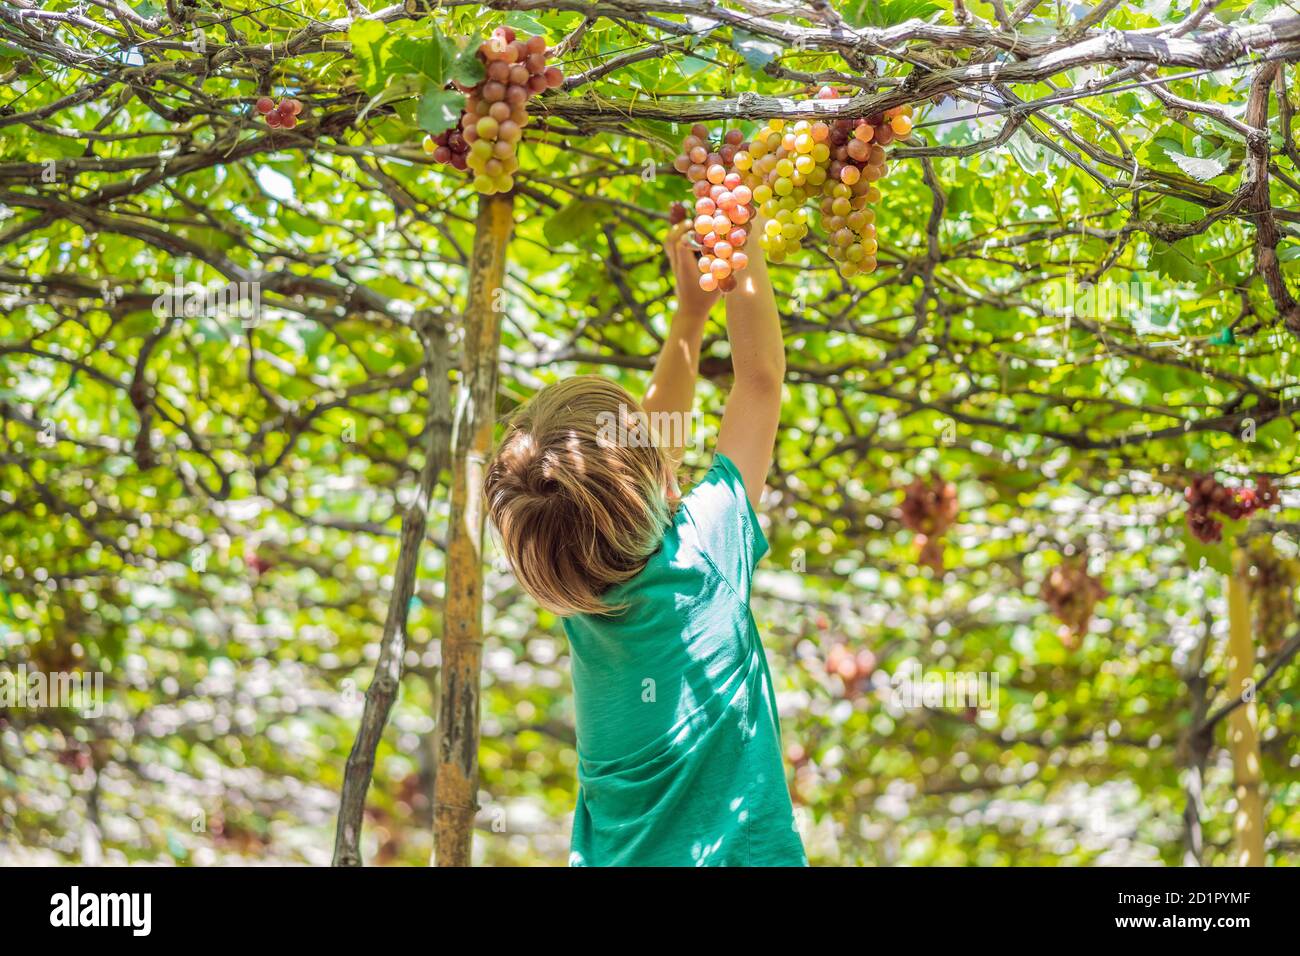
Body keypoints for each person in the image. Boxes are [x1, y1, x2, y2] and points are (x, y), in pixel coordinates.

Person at [484, 213, 805, 866]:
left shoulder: (576, 596)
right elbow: (759, 382)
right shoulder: (704, 559)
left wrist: (690, 320)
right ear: (661, 480)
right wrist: (736, 236)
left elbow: (740, 396)